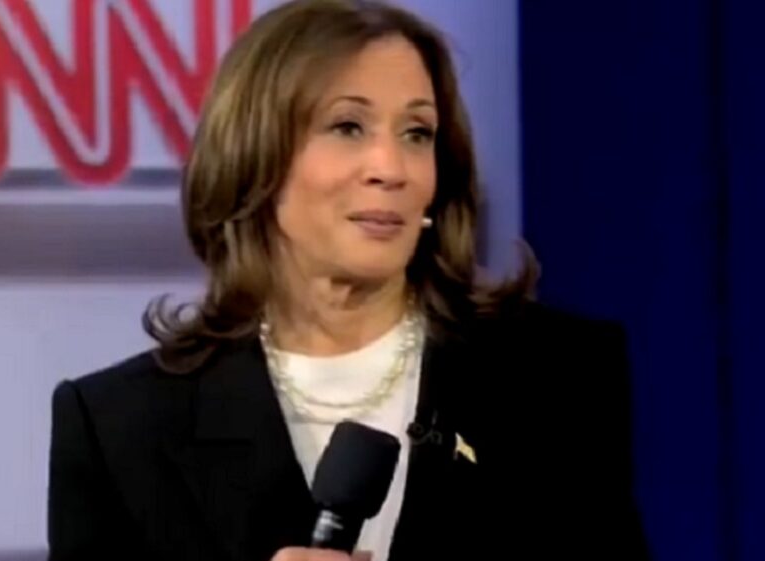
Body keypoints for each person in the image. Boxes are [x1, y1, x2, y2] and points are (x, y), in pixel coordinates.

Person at [46, 0, 649, 559]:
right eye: (347, 127)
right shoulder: (121, 428)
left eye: (417, 134)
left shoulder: (557, 377)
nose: (391, 169)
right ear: (257, 158)